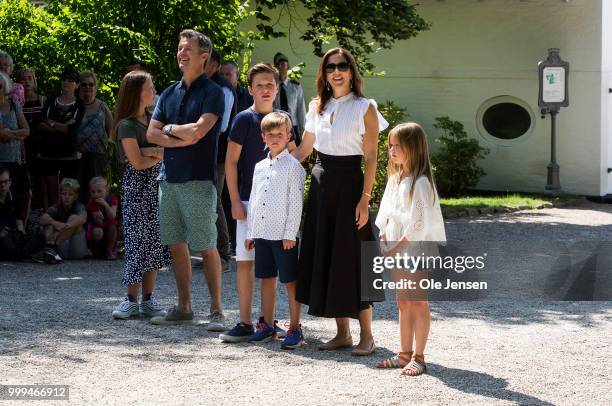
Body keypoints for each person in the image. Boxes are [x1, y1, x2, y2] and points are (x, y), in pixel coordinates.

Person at [292, 48, 388, 355]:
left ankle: (368, 336)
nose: (337, 71)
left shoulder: (365, 107)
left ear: (351, 71)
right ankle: (342, 333)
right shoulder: (316, 106)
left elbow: (372, 157)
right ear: (324, 73)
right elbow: (304, 151)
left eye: (342, 66)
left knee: (356, 259)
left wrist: (364, 199)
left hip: (350, 186)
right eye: (331, 66)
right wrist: (272, 167)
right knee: (328, 256)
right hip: (321, 186)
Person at [146, 29, 226, 330]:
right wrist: (176, 133)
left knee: (206, 246)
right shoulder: (168, 92)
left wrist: (169, 130)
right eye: (180, 48)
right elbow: (151, 133)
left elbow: (198, 133)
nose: (181, 53)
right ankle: (184, 307)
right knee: (176, 245)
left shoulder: (214, 92)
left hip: (199, 181)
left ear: (203, 57)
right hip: (168, 181)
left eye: (188, 49)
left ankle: (217, 310)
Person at [220, 63, 296, 342]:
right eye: (259, 85)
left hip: (277, 206)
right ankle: (244, 321)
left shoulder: (284, 120)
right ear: (250, 89)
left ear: (277, 88)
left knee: (270, 265)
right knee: (245, 261)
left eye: (270, 85)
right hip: (248, 201)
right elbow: (230, 161)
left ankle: (267, 320)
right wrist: (234, 201)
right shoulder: (243, 119)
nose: (265, 90)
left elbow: (293, 159)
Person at [374, 122, 446, 376]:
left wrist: (396, 249)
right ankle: (404, 353)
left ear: (413, 148)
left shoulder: (421, 183)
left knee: (418, 302)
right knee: (402, 302)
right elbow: (385, 212)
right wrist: (384, 236)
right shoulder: (396, 179)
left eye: (397, 146)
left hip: (414, 250)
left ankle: (419, 356)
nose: (392, 151)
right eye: (390, 146)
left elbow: (418, 224)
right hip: (395, 249)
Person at [243, 112, 306, 348]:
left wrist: (290, 233)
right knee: (266, 279)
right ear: (263, 137)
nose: (276, 138)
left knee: (290, 281)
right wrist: (251, 232)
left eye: (281, 134)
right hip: (262, 234)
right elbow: (254, 198)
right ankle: (267, 325)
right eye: (271, 134)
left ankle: (295, 328)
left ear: (289, 136)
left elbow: (296, 202)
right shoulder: (259, 167)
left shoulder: (294, 167)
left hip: (283, 236)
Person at [110, 70, 169, 320]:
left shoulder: (152, 120)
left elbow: (163, 152)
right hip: (137, 189)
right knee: (136, 242)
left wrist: (152, 153)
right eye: (150, 86)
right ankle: (130, 299)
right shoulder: (126, 125)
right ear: (137, 93)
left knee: (154, 241)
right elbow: (136, 162)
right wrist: (156, 152)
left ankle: (148, 299)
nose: (154, 91)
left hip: (156, 187)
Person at [204, 50, 236, 271]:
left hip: (219, 154)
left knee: (214, 201)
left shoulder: (223, 89)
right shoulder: (204, 85)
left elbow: (222, 126)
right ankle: (211, 252)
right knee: (207, 201)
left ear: (212, 64)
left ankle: (223, 254)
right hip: (207, 153)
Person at [37, 68, 85, 208]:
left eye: (71, 80)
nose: (66, 83)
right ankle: (53, 222)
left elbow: (71, 130)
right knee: (51, 192)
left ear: (77, 85)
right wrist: (61, 126)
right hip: (47, 153)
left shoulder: (79, 104)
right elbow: (40, 124)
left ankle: (67, 224)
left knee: (68, 192)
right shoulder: (51, 99)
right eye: (64, 79)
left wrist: (50, 122)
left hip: (69, 155)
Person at [0, 72, 30, 231]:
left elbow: (26, 130)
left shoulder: (13, 104)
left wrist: (9, 133)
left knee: (21, 196)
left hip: (14, 160)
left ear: (5, 87)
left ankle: (19, 231)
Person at [76, 71, 113, 201]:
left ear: (95, 86)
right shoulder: (74, 105)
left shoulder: (102, 106)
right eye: (84, 84)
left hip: (98, 156)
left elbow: (112, 130)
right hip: (77, 157)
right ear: (78, 86)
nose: (88, 87)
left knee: (98, 192)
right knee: (78, 191)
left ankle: (99, 219)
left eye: (91, 84)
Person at [34, 177, 87, 264]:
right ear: (60, 195)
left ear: (76, 196)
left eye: (70, 194)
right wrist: (54, 223)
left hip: (76, 248)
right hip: (61, 247)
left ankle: (51, 249)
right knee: (49, 223)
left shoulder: (79, 206)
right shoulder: (57, 207)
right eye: (64, 194)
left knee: (74, 219)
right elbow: (41, 219)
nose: (67, 197)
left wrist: (64, 226)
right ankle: (50, 249)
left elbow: (83, 219)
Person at [16, 68, 46, 210]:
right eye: (23, 79)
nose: (27, 82)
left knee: (42, 182)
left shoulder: (42, 100)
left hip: (41, 146)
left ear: (34, 81)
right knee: (25, 182)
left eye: (30, 78)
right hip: (23, 146)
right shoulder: (16, 103)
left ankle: (42, 213)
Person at [273, 52, 306, 143]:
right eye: (279, 62)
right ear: (275, 66)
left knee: (295, 156)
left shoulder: (296, 87)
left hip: (293, 129)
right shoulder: (271, 86)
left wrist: (304, 134)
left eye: (284, 62)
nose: (282, 65)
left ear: (288, 66)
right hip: (274, 128)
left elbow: (301, 111)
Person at [85, 176, 119, 260]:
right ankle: (96, 250)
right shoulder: (91, 202)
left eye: (99, 191)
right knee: (98, 231)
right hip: (97, 227)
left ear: (106, 190)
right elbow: (99, 222)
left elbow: (112, 216)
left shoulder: (112, 199)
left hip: (109, 227)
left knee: (113, 225)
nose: (96, 194)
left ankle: (109, 250)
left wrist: (105, 205)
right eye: (93, 192)